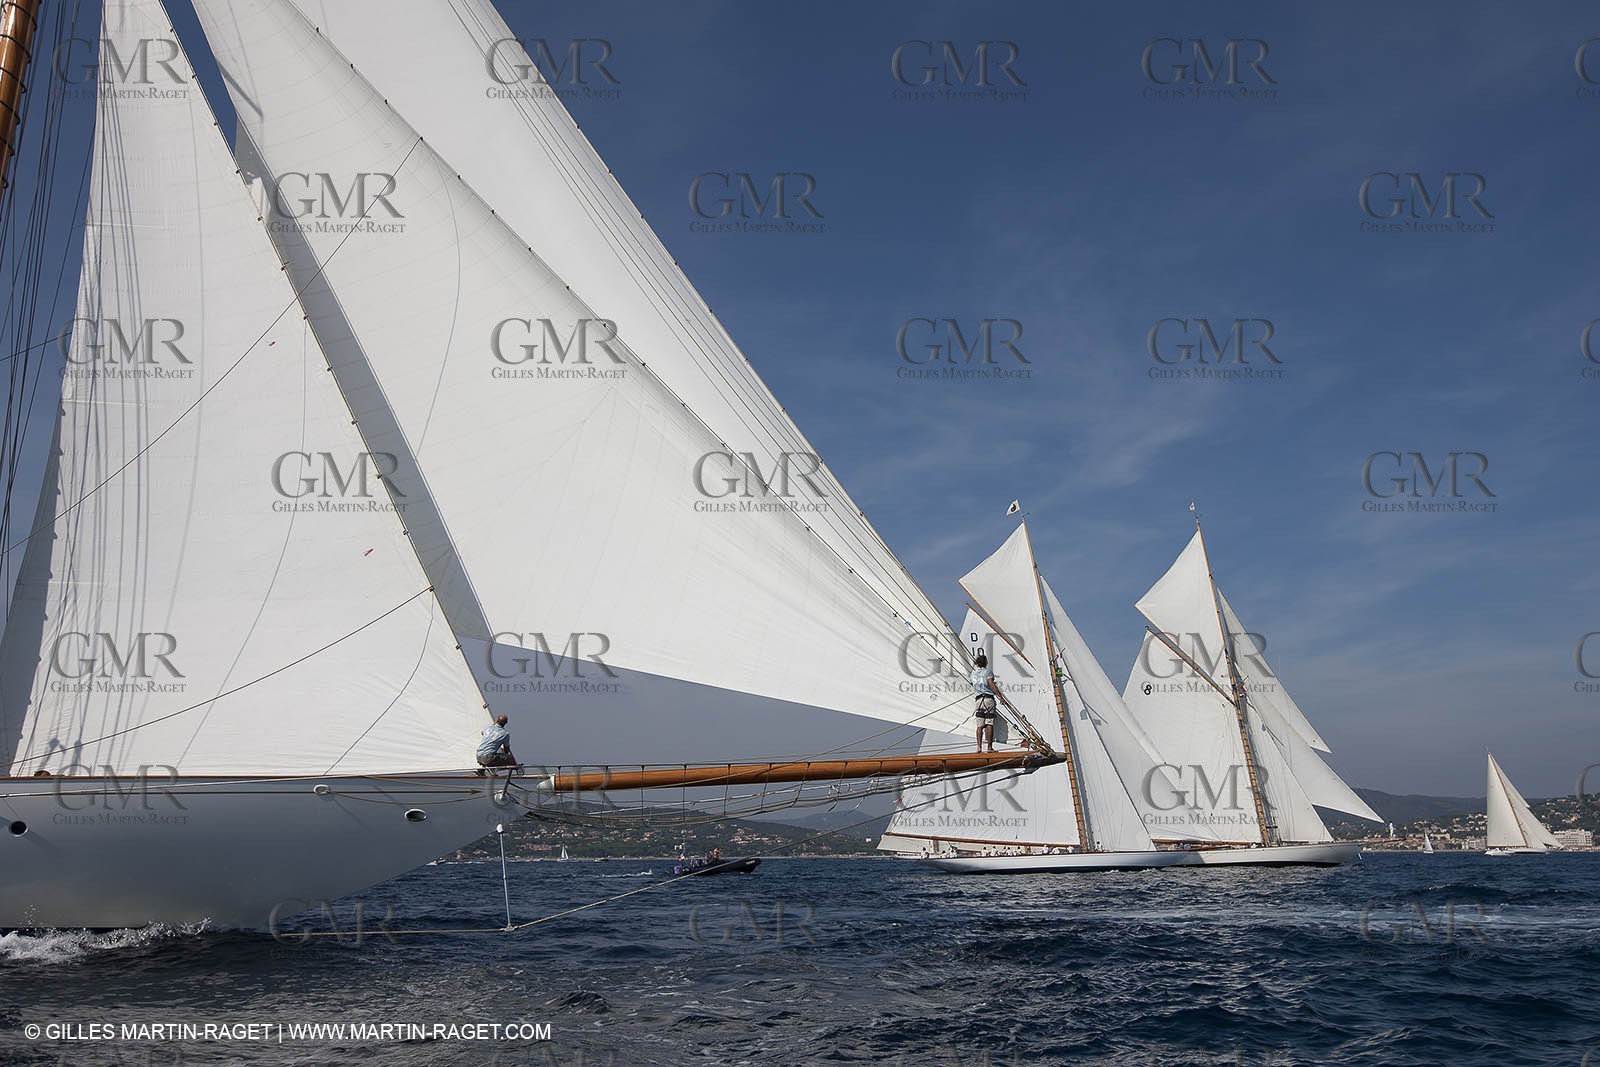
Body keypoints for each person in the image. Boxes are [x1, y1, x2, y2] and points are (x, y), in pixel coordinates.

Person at [970, 653, 999, 753]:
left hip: (978, 701)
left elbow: (973, 684)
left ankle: (979, 747)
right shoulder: (988, 672)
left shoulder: (973, 674)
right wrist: (1000, 697)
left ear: (977, 663)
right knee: (989, 724)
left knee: (979, 725)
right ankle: (989, 748)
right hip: (988, 699)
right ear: (986, 663)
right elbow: (991, 684)